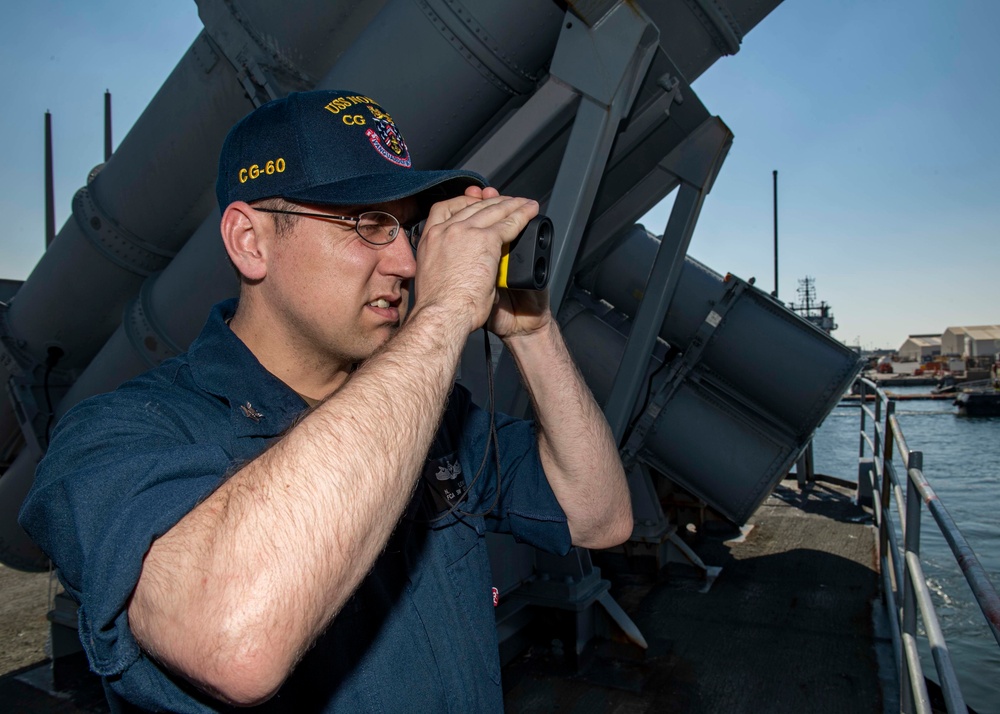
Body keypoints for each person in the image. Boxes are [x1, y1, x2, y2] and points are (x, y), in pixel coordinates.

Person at [19, 89, 631, 713]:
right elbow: (233, 641)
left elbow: (600, 515)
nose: (405, 262)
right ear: (250, 241)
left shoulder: (434, 417)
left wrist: (532, 331)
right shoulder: (122, 434)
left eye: (406, 228)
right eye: (367, 223)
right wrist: (444, 312)